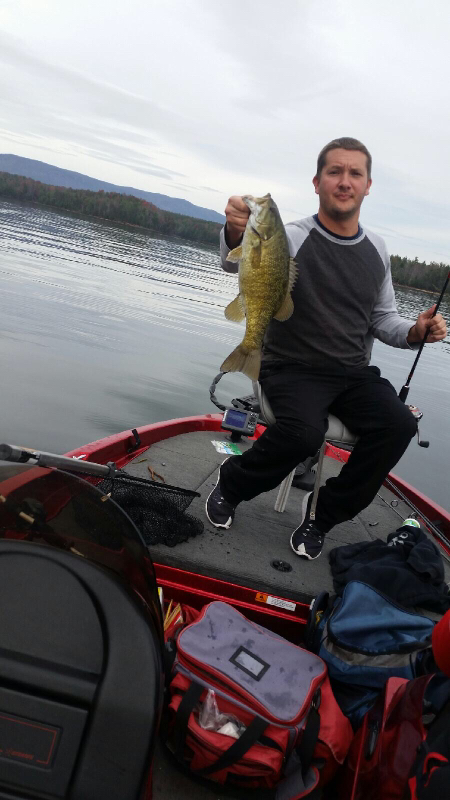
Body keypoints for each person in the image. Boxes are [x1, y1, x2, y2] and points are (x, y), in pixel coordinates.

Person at [205, 137, 448, 561]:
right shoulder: (292, 235)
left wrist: (415, 331)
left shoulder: (377, 249)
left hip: (352, 373)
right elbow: (232, 261)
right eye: (334, 172)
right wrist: (235, 230)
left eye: (355, 173)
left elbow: (383, 319)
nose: (344, 181)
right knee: (304, 433)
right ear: (317, 182)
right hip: (290, 366)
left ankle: (322, 514)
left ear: (368, 185)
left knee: (399, 425)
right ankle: (232, 483)